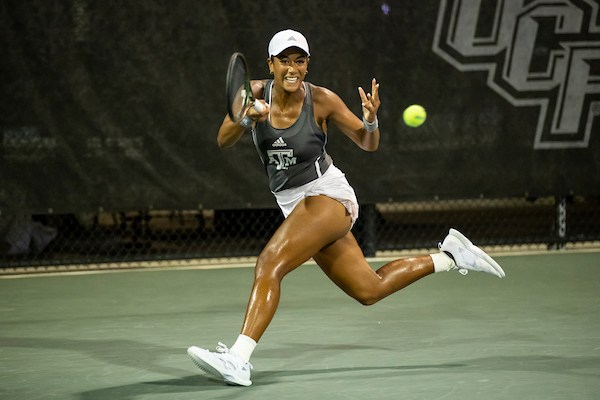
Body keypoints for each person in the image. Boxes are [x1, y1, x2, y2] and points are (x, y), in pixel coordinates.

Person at [187, 29, 505, 386]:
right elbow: (222, 140)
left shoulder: (322, 100)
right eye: (284, 61)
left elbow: (368, 142)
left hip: (327, 195)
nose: (292, 68)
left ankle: (238, 359)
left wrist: (370, 119)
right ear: (270, 64)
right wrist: (247, 117)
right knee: (370, 289)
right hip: (295, 206)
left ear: (307, 65)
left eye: (300, 60)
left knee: (269, 264)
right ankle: (451, 256)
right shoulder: (253, 94)